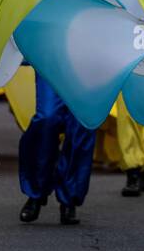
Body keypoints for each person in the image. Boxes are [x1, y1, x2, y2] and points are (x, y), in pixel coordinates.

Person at [18, 71, 97, 225]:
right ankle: (36, 191)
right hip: (50, 55)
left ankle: (69, 199)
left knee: (81, 123)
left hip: (89, 61)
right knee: (47, 118)